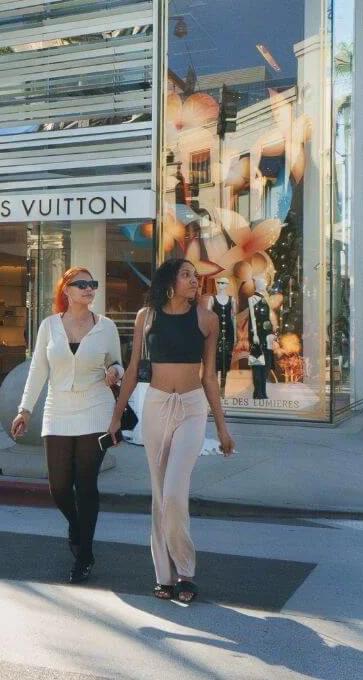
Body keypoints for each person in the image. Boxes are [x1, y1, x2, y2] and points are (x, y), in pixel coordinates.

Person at [110, 258, 235, 605]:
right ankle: (164, 576)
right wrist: (117, 416)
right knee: (159, 495)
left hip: (193, 408)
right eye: (186, 275)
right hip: (156, 405)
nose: (195, 281)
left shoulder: (207, 319)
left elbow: (209, 376)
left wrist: (222, 429)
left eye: (196, 276)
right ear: (170, 281)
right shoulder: (146, 316)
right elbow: (134, 368)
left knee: (175, 492)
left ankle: (186, 570)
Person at [11, 266, 123, 584]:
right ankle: (76, 524)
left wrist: (114, 370)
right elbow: (37, 370)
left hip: (95, 409)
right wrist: (24, 410)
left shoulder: (107, 327)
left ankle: (84, 554)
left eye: (92, 284)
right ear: (66, 290)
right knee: (59, 487)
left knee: (85, 485)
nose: (89, 289)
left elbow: (117, 361)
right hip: (57, 409)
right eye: (81, 284)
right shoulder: (49, 326)